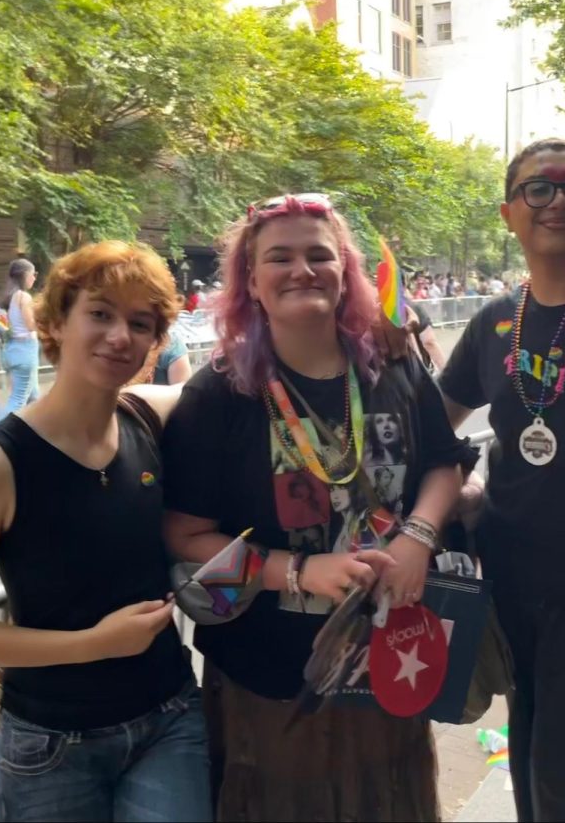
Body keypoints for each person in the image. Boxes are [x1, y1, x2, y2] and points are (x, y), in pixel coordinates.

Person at [161, 194, 469, 821]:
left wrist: (417, 536)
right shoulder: (217, 393)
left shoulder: (391, 365)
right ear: (250, 280)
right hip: (270, 680)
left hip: (389, 659)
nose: (301, 269)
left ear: (345, 270)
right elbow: (184, 534)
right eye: (279, 257)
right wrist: (298, 572)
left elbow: (443, 462)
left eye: (318, 254)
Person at [0, 241, 211, 822]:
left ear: (155, 342)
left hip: (170, 720)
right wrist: (92, 644)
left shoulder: (146, 417)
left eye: (140, 322)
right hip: (51, 746)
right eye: (100, 313)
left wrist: (377, 339)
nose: (120, 335)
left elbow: (233, 383)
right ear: (56, 322)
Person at [438, 138, 565, 822]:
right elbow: (438, 424)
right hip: (511, 580)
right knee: (531, 761)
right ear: (509, 212)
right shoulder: (496, 320)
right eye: (538, 189)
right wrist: (460, 489)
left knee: (562, 779)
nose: (557, 200)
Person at [0, 259, 40, 420]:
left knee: (33, 398)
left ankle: (35, 439)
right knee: (18, 400)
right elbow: (31, 325)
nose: (34, 278)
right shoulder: (23, 297)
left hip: (9, 350)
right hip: (25, 351)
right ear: (25, 275)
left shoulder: (3, 298)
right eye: (33, 274)